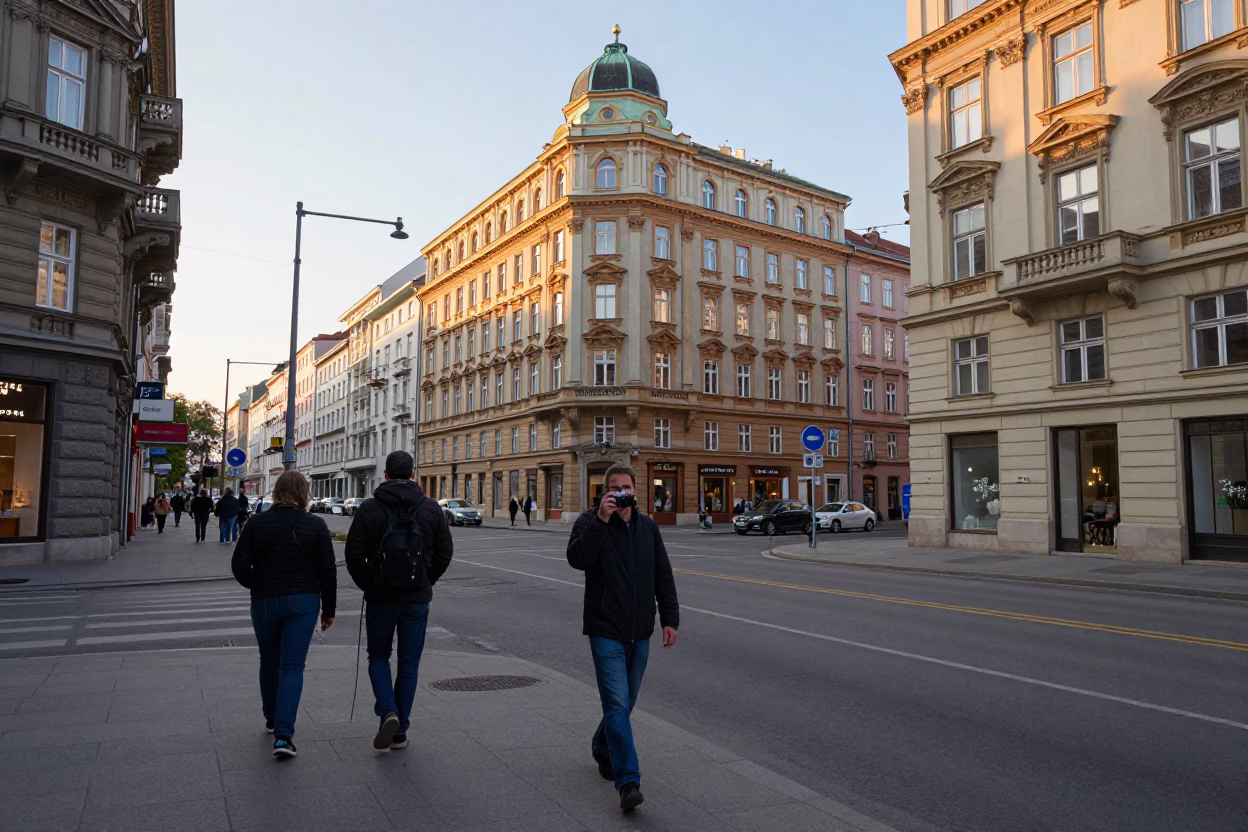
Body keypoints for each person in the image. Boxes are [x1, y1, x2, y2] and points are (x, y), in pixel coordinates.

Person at [566, 462, 680, 812]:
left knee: (625, 704)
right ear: (604, 493)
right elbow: (577, 559)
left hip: (640, 630)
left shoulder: (647, 527)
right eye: (614, 487)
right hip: (605, 630)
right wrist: (601, 521)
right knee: (616, 704)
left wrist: (670, 618)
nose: (622, 492)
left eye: (627, 487)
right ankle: (628, 781)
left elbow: (663, 574)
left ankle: (602, 747)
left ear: (636, 490)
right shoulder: (589, 522)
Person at [345, 451, 453, 752]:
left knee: (378, 656)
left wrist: (369, 583)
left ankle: (387, 711)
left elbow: (353, 554)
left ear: (386, 475)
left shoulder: (370, 508)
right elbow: (445, 552)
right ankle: (400, 730)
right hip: (417, 598)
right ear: (414, 473)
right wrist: (426, 581)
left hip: (381, 596)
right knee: (409, 663)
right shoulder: (430, 508)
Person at [231, 470, 336, 758]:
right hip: (302, 602)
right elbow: (328, 572)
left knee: (269, 660)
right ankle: (283, 736)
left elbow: (239, 565)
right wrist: (329, 610)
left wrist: (259, 583)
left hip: (264, 601)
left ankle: (271, 716)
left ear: (276, 492)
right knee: (292, 666)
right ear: (304, 493)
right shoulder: (315, 525)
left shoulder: (257, 523)